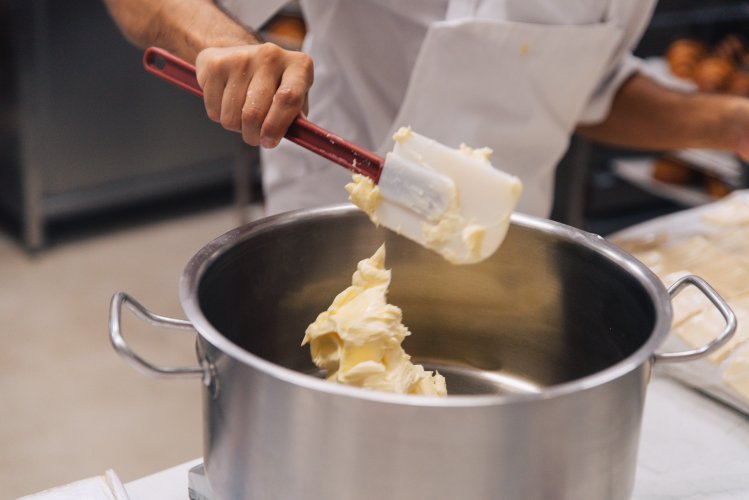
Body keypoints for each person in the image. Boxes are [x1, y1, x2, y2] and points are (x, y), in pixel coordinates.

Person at [103, 0, 749, 218]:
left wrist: (727, 125)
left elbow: (572, 80)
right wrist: (226, 47)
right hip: (339, 237)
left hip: (508, 247)